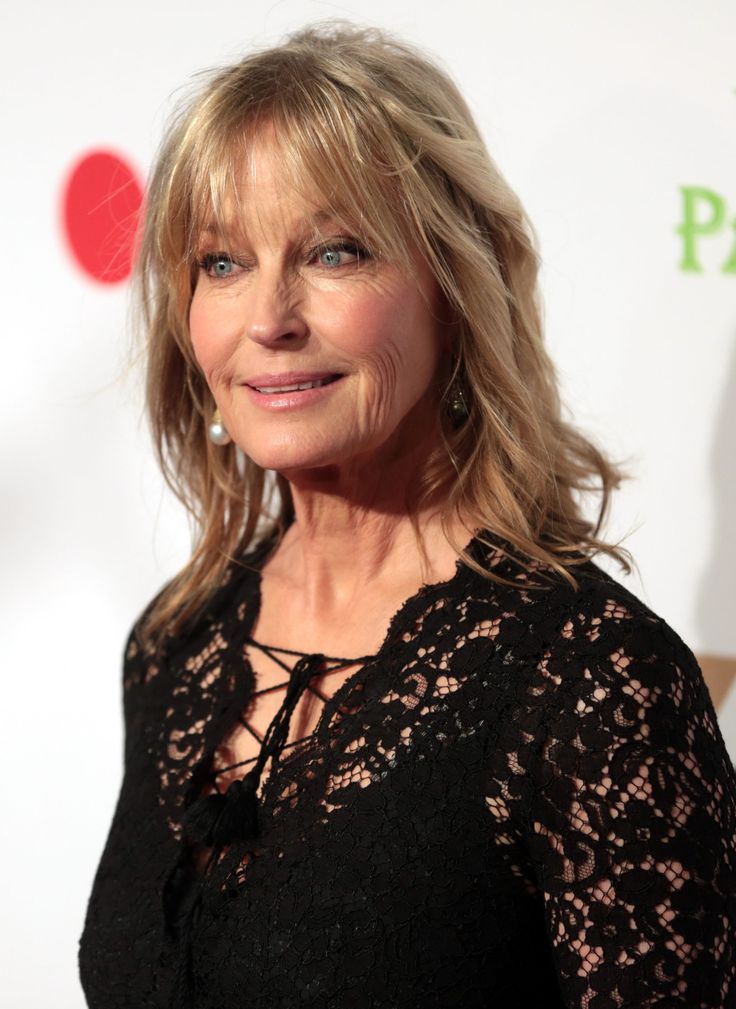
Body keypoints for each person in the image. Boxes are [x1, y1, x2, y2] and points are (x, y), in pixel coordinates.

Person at [78, 20, 736, 1009]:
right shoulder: (175, 645)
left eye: (333, 251)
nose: (270, 318)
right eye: (221, 262)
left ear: (453, 286)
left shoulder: (591, 680)